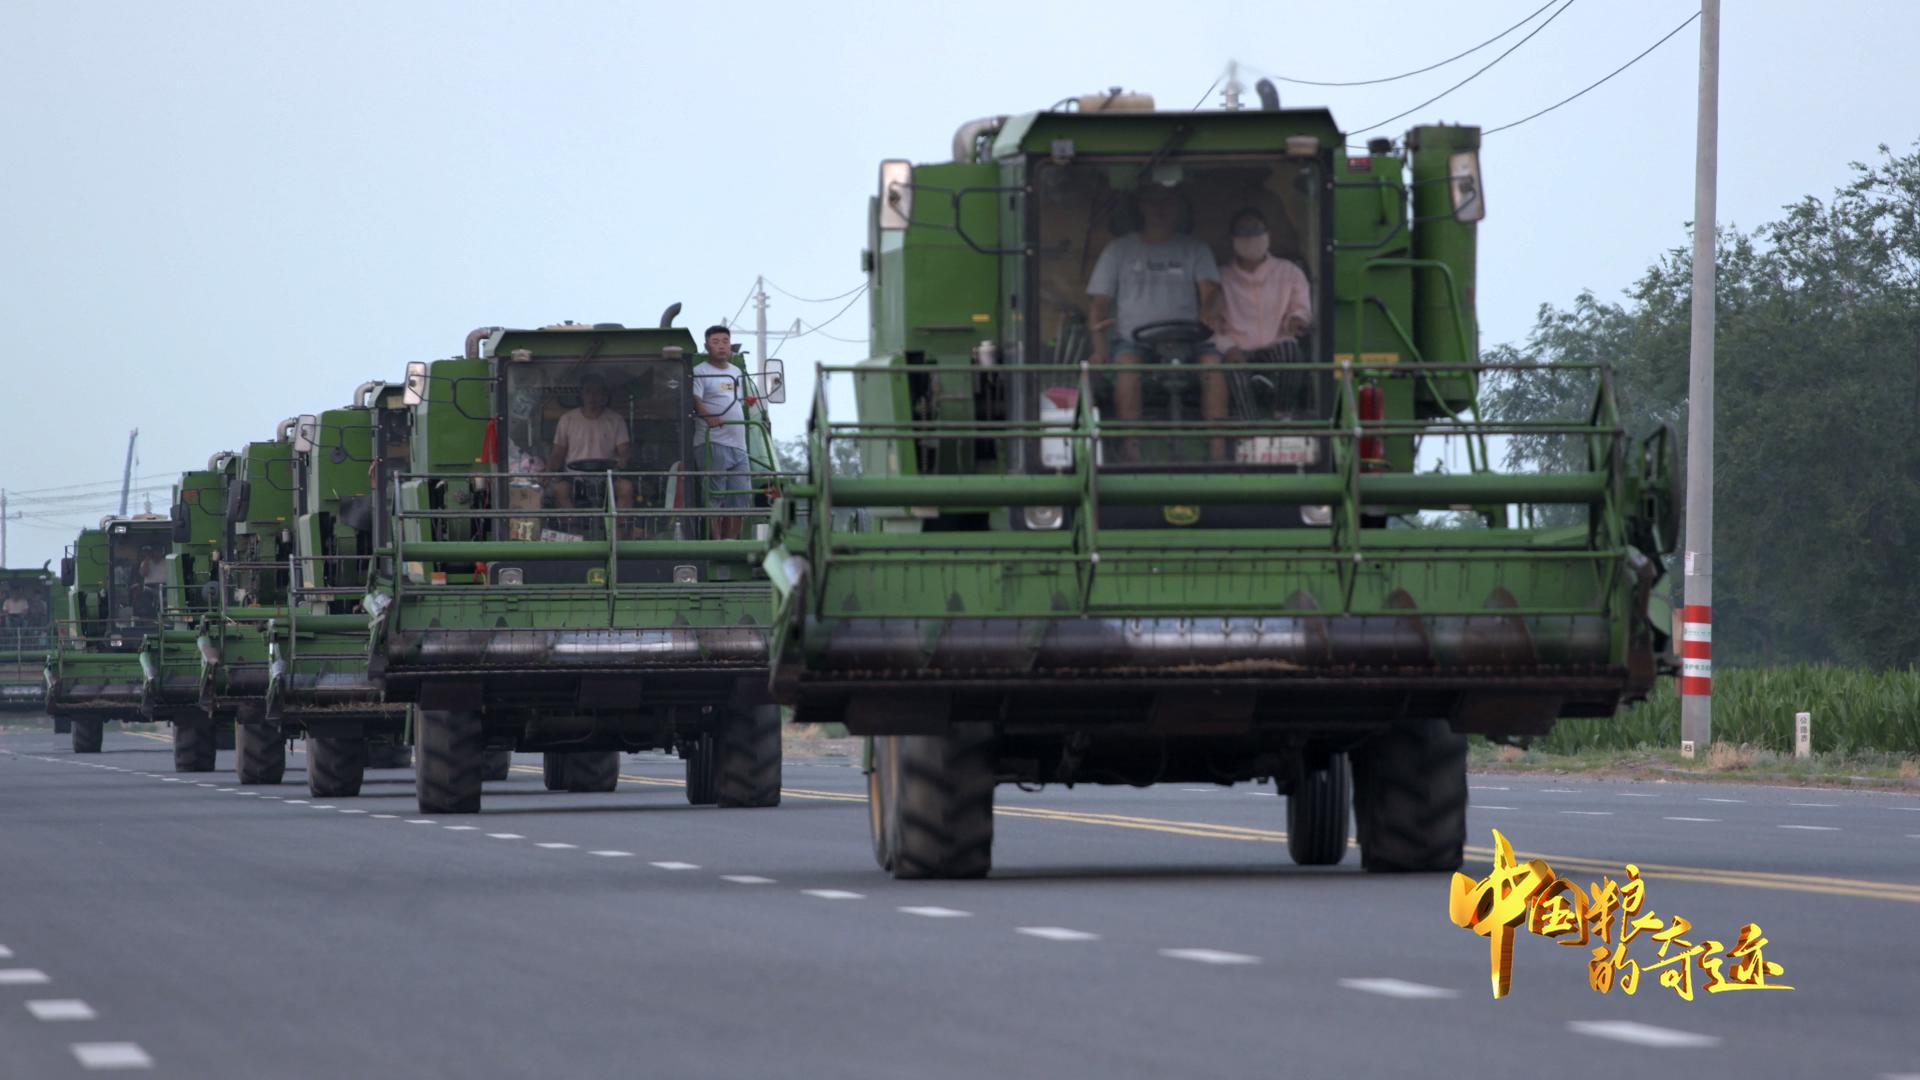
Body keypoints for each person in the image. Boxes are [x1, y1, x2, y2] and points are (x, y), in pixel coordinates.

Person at [1086, 179, 1224, 460]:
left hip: (1190, 339)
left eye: (1168, 202)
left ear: (1178, 207)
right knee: (1126, 368)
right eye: (1153, 201)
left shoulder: (1195, 249)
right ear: (1140, 207)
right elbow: (1099, 304)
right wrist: (1100, 350)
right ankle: (1131, 452)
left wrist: (1208, 308)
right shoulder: (1118, 250)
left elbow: (1210, 289)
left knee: (1213, 366)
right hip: (1133, 342)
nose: (1160, 209)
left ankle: (1219, 452)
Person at [1207, 206, 1315, 458]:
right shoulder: (1220, 278)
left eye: (1256, 230)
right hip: (1238, 353)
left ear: (1268, 234)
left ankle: (1283, 417)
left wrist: (1296, 320)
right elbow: (1211, 325)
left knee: (1290, 348)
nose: (1251, 236)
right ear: (1232, 238)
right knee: (1231, 367)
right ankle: (1251, 431)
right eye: (1244, 231)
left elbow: (1302, 309)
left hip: (1275, 350)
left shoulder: (1289, 272)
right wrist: (1228, 347)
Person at [549, 373, 636, 528]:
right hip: (575, 478)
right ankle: (574, 536)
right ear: (581, 394)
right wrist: (547, 473)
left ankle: (620, 536)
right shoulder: (567, 419)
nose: (592, 396)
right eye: (588, 391)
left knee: (626, 487)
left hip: (608, 478)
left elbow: (624, 451)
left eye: (597, 392)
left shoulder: (615, 420)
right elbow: (558, 453)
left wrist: (623, 459)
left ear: (604, 395)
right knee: (560, 490)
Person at [691, 325, 751, 542]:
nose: (721, 346)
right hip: (712, 441)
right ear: (706, 346)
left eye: (725, 341)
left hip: (739, 445)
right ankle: (715, 541)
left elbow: (739, 401)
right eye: (715, 342)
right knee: (715, 495)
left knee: (741, 495)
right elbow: (695, 399)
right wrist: (709, 417)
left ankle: (731, 541)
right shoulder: (700, 371)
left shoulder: (736, 372)